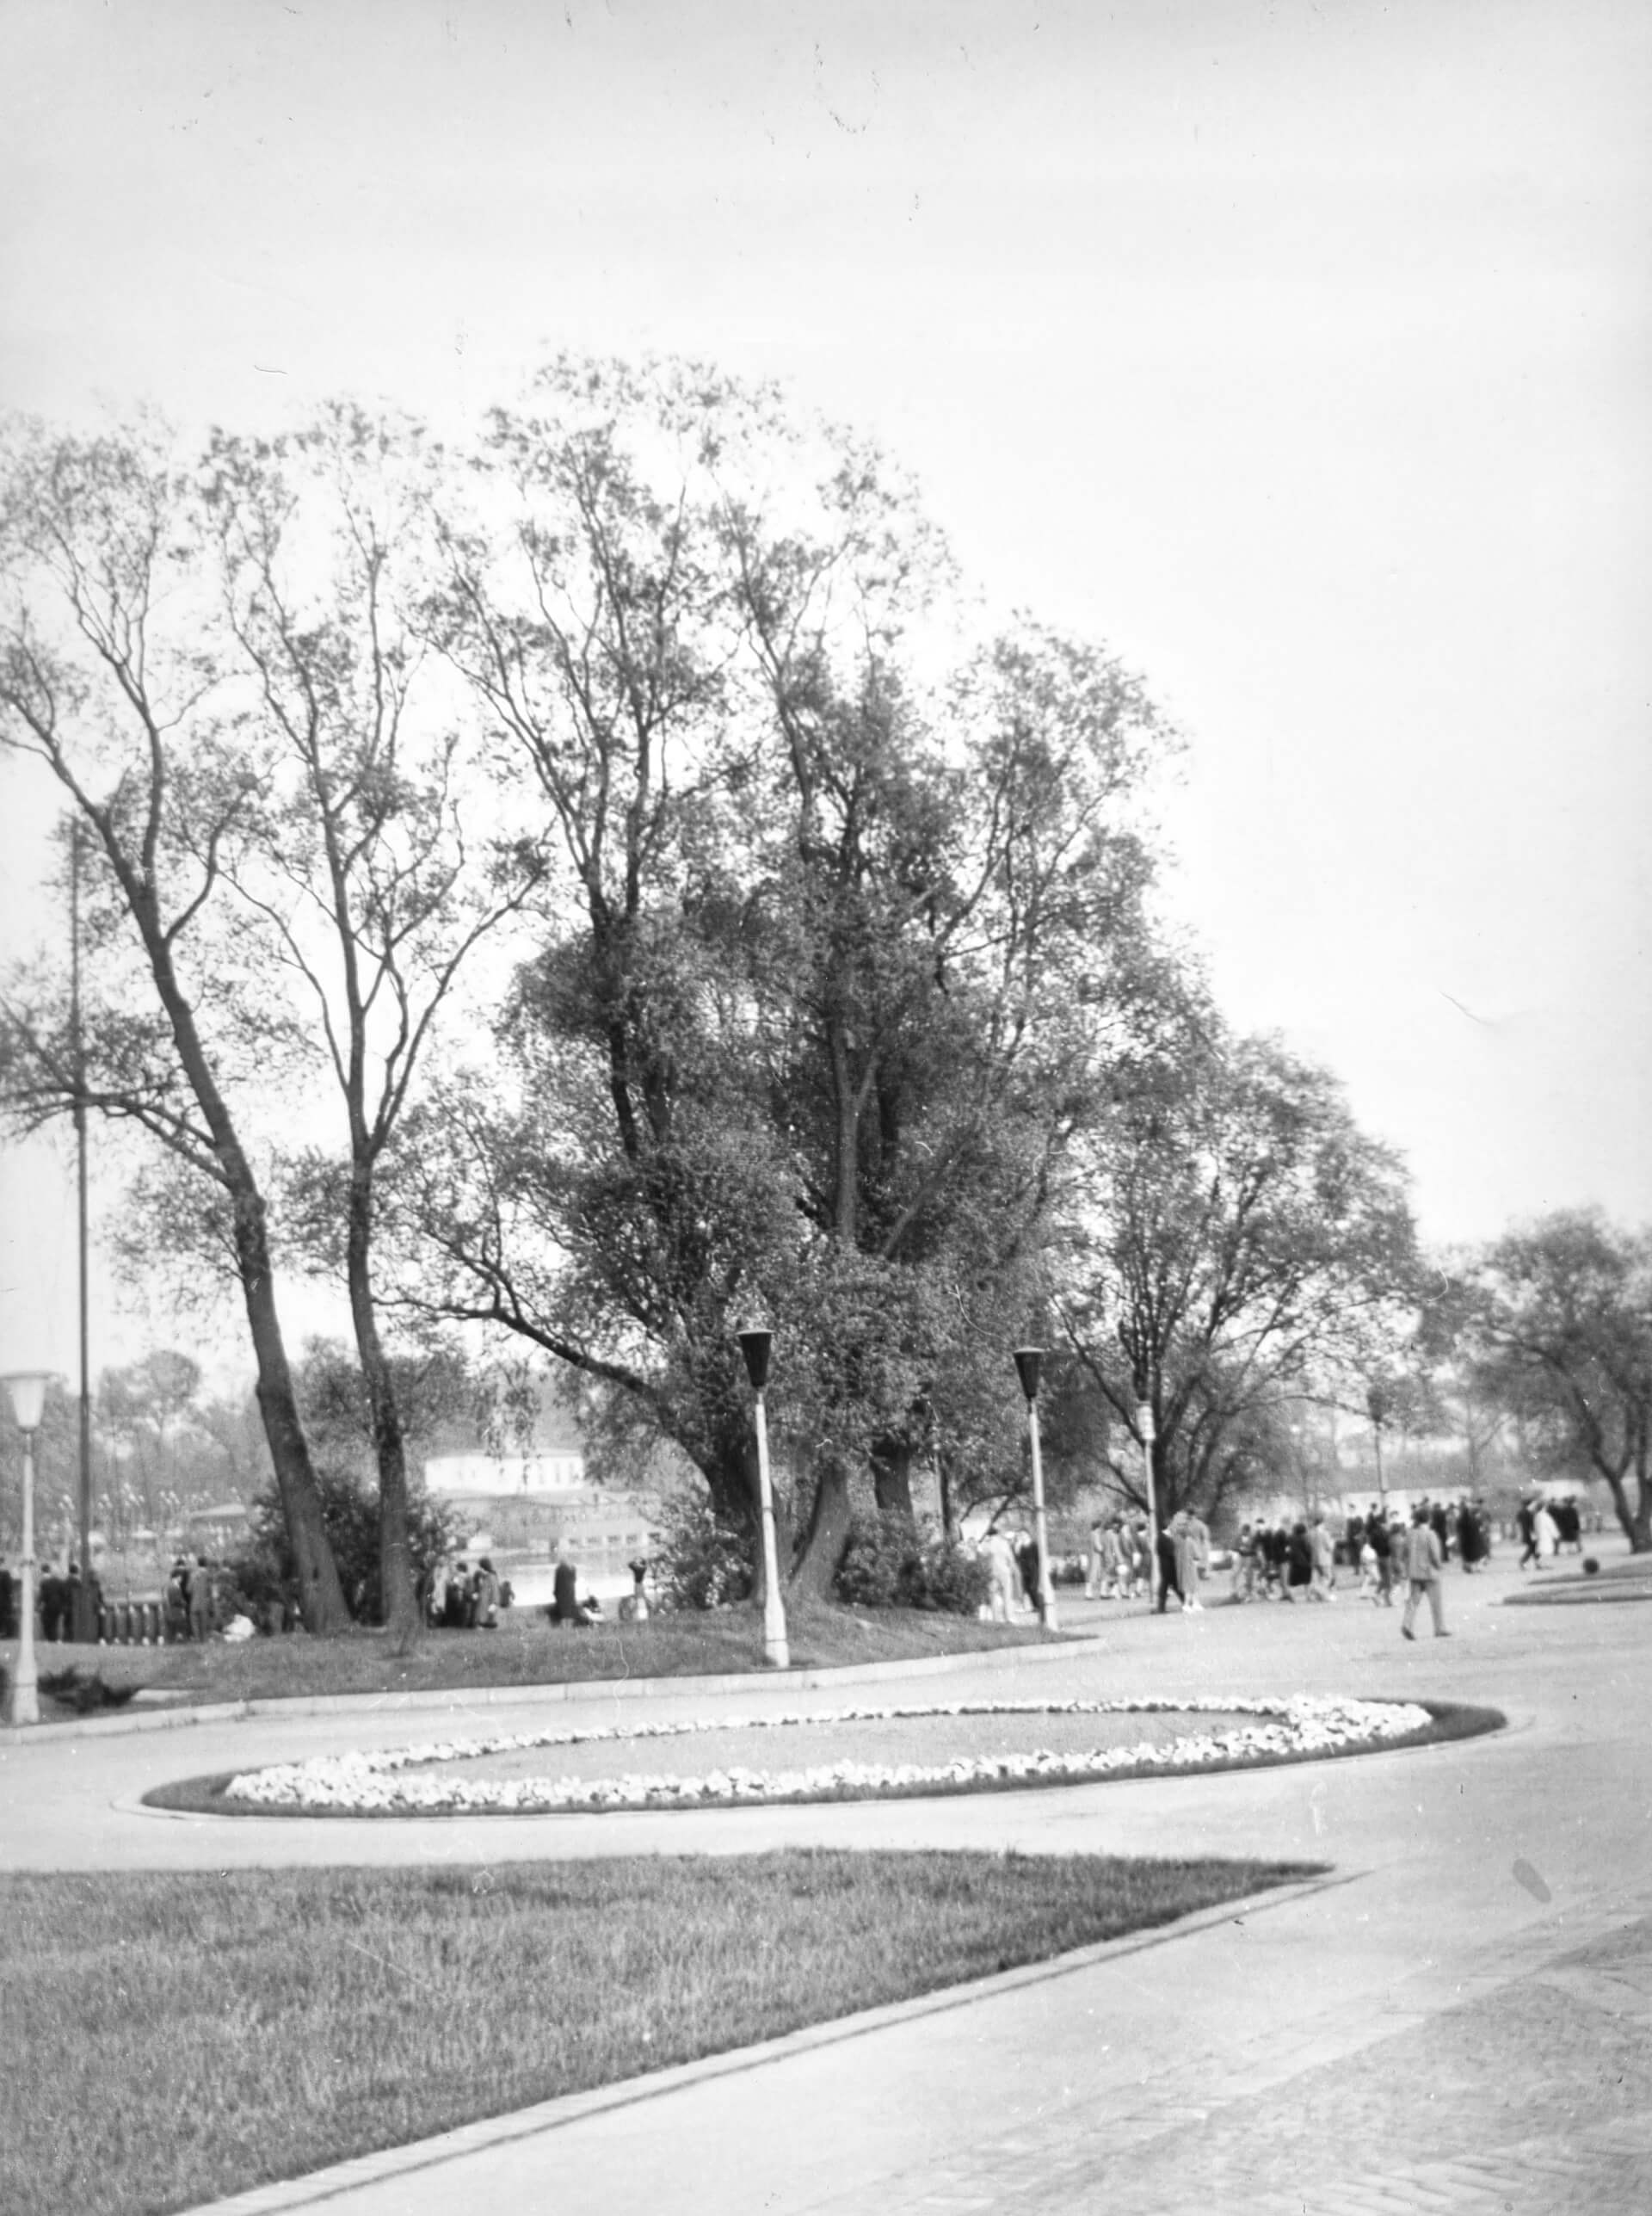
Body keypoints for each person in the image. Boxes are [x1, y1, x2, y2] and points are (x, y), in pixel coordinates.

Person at [1401, 1504, 1450, 1639]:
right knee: (1436, 1602)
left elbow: (1404, 1553)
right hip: (1429, 1573)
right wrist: (1439, 1566)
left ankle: (1407, 1624)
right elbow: (1434, 1554)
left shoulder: (1409, 1534)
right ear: (1428, 1519)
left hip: (1414, 1572)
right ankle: (1439, 1628)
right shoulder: (1430, 1534)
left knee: (1413, 1601)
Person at [1156, 1518, 1184, 1613]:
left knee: (1170, 1586)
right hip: (1168, 1565)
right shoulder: (1164, 1537)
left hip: (1166, 1565)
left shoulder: (1162, 1537)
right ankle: (1184, 1602)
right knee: (1169, 1585)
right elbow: (1169, 1552)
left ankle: (1162, 1607)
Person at [551, 1548, 580, 1627]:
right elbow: (574, 1580)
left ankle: (565, 1630)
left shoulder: (559, 1569)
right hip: (571, 1593)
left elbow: (556, 1583)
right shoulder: (572, 1568)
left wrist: (555, 1593)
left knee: (564, 1614)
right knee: (570, 1613)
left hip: (562, 1594)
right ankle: (569, 1630)